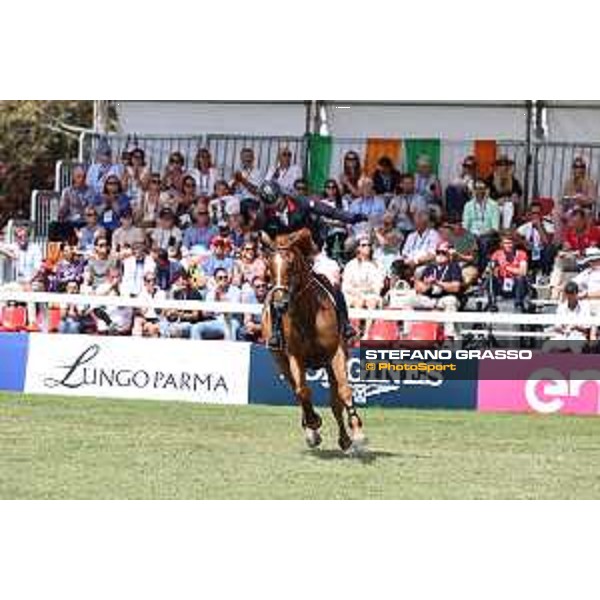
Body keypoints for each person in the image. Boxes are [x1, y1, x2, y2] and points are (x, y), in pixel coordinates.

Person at [256, 179, 366, 348]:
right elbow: (262, 233)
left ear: (282, 195)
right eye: (271, 204)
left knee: (332, 279)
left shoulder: (301, 202)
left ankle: (345, 325)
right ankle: (277, 331)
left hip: (312, 251)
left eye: (277, 201)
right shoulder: (265, 213)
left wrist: (351, 218)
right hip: (287, 257)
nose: (275, 207)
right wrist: (269, 247)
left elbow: (329, 211)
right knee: (278, 287)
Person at [414, 242, 462, 337]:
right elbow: (419, 288)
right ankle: (408, 334)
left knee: (451, 301)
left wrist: (437, 283)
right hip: (429, 298)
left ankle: (449, 336)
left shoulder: (454, 267)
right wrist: (428, 285)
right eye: (438, 252)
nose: (440, 255)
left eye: (443, 253)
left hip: (445, 298)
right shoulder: (430, 267)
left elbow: (456, 287)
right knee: (410, 300)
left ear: (449, 255)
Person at [341, 235, 385, 335]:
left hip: (369, 294)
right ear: (358, 248)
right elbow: (345, 286)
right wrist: (357, 292)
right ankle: (355, 332)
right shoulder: (350, 265)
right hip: (353, 294)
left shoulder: (375, 265)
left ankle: (367, 333)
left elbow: (378, 285)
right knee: (358, 302)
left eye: (369, 245)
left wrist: (365, 291)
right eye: (364, 245)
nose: (367, 247)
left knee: (372, 301)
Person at [191, 267, 242, 340]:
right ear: (215, 280)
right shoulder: (211, 293)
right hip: (216, 321)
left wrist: (220, 299)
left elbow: (233, 311)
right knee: (196, 327)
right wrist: (215, 298)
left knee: (230, 329)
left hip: (231, 320)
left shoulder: (236, 291)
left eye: (225, 277)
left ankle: (230, 351)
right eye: (220, 278)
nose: (223, 280)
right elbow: (205, 313)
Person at [542, 281, 592, 353]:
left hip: (578, 336)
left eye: (572, 294)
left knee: (575, 346)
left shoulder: (585, 306)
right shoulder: (561, 307)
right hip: (563, 335)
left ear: (576, 294)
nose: (570, 297)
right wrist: (561, 328)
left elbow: (587, 329)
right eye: (568, 295)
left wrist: (575, 327)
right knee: (547, 346)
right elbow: (558, 326)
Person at [462, 179, 501, 271]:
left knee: (483, 242)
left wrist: (481, 235)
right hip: (472, 234)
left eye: (482, 188)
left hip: (487, 234)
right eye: (477, 188)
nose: (479, 191)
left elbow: (495, 228)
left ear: (486, 190)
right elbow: (465, 226)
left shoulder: (493, 205)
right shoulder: (468, 205)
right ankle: (467, 269)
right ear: (473, 190)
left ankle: (482, 271)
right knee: (461, 242)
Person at [516, 201, 556, 276]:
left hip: (542, 252)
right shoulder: (527, 226)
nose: (536, 215)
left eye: (538, 213)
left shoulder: (548, 225)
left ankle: (545, 274)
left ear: (541, 214)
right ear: (530, 214)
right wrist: (523, 242)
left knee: (549, 249)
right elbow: (514, 235)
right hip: (530, 252)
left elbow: (547, 242)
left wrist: (539, 227)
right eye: (533, 213)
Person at [490, 234, 529, 311]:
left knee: (520, 278)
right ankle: (492, 303)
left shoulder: (521, 254)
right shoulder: (497, 254)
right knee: (490, 278)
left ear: (514, 243)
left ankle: (518, 304)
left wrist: (505, 267)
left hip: (516, 284)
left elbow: (523, 272)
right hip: (502, 283)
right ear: (502, 244)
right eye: (506, 243)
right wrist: (494, 270)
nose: (509, 245)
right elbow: (491, 268)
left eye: (510, 243)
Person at [485, 155, 523, 229]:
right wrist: (496, 200)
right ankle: (495, 228)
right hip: (494, 205)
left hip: (507, 204)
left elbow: (518, 191)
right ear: (497, 167)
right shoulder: (490, 179)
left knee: (509, 206)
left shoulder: (512, 179)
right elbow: (485, 195)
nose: (503, 168)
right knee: (497, 208)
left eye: (505, 165)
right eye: (501, 165)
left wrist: (515, 194)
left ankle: (506, 229)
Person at [400, 210, 441, 275]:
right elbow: (404, 253)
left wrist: (416, 261)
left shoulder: (433, 234)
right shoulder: (411, 236)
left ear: (426, 224)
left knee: (418, 272)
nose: (417, 225)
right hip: (408, 263)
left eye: (419, 223)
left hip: (424, 264)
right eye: (416, 223)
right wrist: (407, 261)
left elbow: (432, 255)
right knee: (396, 268)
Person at [445, 155, 478, 222]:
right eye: (465, 166)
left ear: (474, 168)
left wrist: (467, 190)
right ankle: (452, 214)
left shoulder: (477, 181)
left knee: (461, 191)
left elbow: (476, 198)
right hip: (457, 202)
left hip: (470, 203)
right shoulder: (458, 178)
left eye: (470, 167)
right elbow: (450, 188)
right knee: (450, 189)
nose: (467, 169)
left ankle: (457, 215)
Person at [238, 276, 269, 342]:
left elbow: (271, 323)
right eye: (258, 287)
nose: (261, 288)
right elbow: (247, 319)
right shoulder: (249, 298)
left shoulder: (271, 298)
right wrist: (250, 325)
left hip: (268, 326)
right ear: (253, 288)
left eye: (263, 286)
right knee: (242, 331)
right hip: (255, 325)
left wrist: (258, 328)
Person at [572, 246, 600, 318]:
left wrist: (586, 295)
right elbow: (573, 283)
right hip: (586, 302)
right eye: (590, 261)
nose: (592, 263)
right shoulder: (587, 272)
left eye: (595, 260)